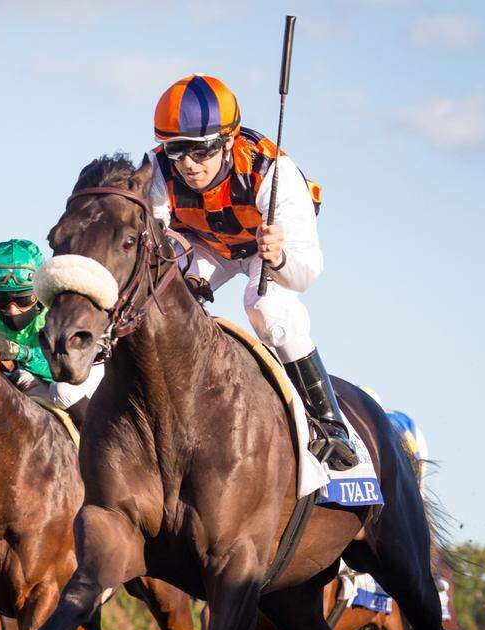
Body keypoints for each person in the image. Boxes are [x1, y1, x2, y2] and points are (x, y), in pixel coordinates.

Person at [146, 74, 356, 470]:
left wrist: (277, 257)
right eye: (177, 151)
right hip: (208, 245)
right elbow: (153, 238)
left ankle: (330, 426)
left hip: (264, 247)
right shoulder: (159, 168)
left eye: (201, 151)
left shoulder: (273, 173)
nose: (188, 165)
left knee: (266, 309)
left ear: (228, 141)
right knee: (163, 298)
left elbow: (306, 274)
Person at [0, 239, 103, 425]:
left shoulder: (60, 304)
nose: (12, 310)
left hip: (84, 365)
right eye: (3, 300)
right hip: (31, 372)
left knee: (63, 392)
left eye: (23, 300)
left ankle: (103, 443)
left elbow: (64, 368)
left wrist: (21, 352)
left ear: (38, 293)